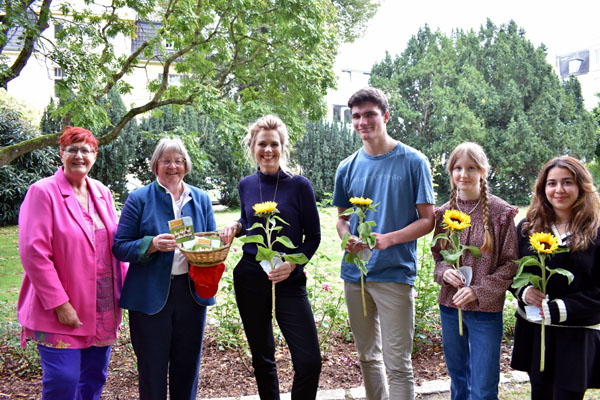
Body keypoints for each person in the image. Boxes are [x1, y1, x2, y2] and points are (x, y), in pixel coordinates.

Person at [333, 87, 435, 399]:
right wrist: (347, 237)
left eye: (370, 114)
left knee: (399, 363)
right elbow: (342, 218)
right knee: (368, 356)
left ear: (386, 116)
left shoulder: (414, 161)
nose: (362, 121)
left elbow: (428, 220)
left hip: (395, 273)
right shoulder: (346, 167)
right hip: (357, 276)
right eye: (356, 116)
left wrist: (389, 240)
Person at [17, 126, 126, 400]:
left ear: (95, 155)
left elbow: (116, 244)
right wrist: (59, 304)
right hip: (61, 308)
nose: (79, 155)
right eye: (72, 149)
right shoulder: (42, 192)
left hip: (103, 306)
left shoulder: (102, 192)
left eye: (86, 150)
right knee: (63, 380)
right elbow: (34, 253)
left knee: (93, 378)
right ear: (61, 154)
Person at [219, 115, 322, 399]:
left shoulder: (300, 186)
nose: (268, 150)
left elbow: (313, 237)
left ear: (283, 147)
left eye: (274, 144)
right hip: (251, 276)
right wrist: (236, 227)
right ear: (252, 147)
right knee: (263, 357)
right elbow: (247, 220)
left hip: (288, 277)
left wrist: (293, 263)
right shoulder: (246, 185)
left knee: (310, 361)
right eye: (262, 144)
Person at [112, 137, 217, 400]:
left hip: (191, 294)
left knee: (187, 368)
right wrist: (151, 244)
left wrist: (206, 248)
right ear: (155, 165)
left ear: (186, 165)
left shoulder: (201, 199)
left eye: (178, 160)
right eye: (166, 160)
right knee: (152, 369)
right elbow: (120, 246)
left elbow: (212, 241)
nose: (173, 166)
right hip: (149, 297)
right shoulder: (139, 199)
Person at [431, 142, 518, 400]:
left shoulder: (500, 213)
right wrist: (444, 272)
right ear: (450, 172)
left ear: (483, 172)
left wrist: (478, 291)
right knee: (458, 379)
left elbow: (511, 263)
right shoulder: (445, 214)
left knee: (482, 385)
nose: (463, 174)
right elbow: (438, 255)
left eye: (471, 167)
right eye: (457, 168)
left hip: (485, 312)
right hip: (450, 306)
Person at [511, 156, 600, 400]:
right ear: (543, 188)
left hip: (576, 335)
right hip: (536, 332)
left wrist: (560, 308)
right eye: (551, 183)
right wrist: (524, 292)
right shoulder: (528, 228)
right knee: (540, 394)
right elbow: (513, 272)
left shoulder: (596, 231)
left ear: (581, 186)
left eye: (567, 182)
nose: (558, 190)